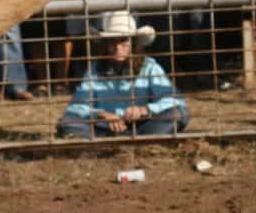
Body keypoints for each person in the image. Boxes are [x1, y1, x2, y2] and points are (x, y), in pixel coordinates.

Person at [56, 13, 188, 139]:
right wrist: (101, 114)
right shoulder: (94, 69)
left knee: (179, 113)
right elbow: (76, 106)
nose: (118, 48)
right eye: (112, 42)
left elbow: (174, 100)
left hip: (144, 124)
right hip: (105, 127)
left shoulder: (149, 67)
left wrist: (144, 110)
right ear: (106, 44)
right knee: (67, 121)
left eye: (123, 41)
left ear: (133, 43)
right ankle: (137, 140)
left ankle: (119, 140)